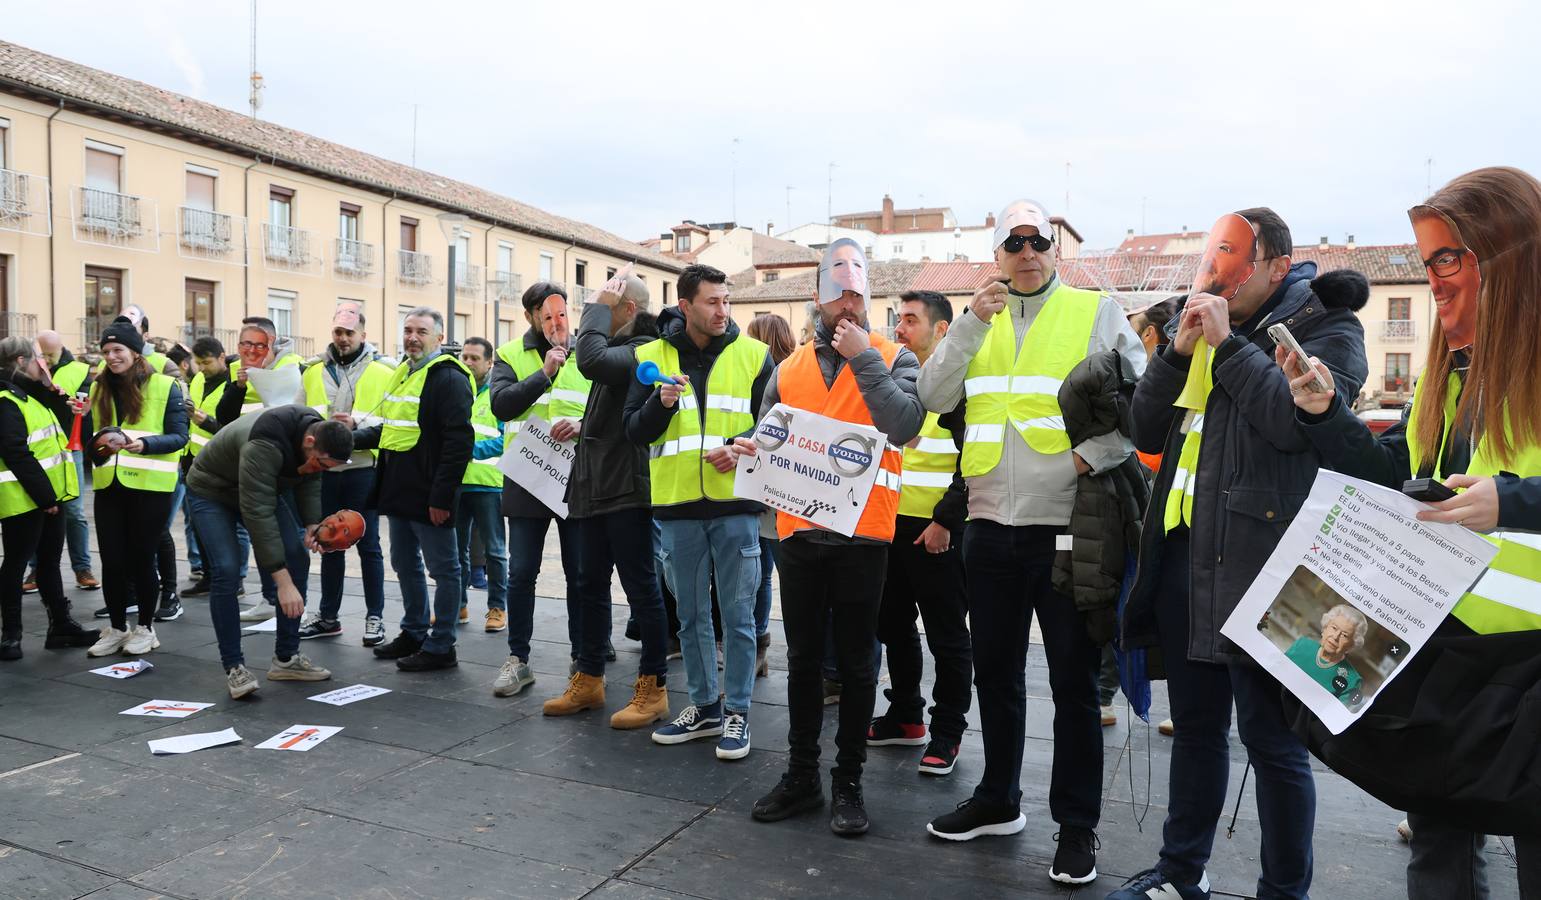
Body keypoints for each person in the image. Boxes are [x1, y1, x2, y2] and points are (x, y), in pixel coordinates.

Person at [1282, 166, 1541, 900]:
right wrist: (1321, 415)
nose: (1431, 279)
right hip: (1448, 651)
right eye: (1426, 262)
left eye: (1445, 259)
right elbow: (1390, 469)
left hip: (1527, 667)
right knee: (1436, 848)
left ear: (1507, 254)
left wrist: (1514, 501)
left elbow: (1503, 497)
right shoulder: (1448, 371)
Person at [1111, 208, 1369, 900]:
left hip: (1266, 569)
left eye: (1232, 266)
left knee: (1272, 743)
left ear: (1276, 267)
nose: (1216, 280)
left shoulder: (1328, 328)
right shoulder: (1204, 328)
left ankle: (1282, 891)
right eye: (1210, 265)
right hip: (1184, 558)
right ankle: (1176, 873)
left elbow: (1296, 425)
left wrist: (1227, 348)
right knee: (1195, 730)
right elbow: (1143, 426)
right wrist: (1173, 353)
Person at [916, 200, 1145, 885]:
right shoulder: (975, 320)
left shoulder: (1092, 312)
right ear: (996, 255)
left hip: (1065, 526)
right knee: (996, 674)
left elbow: (1143, 403)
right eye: (1012, 242)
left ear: (1054, 249)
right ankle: (997, 799)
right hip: (987, 525)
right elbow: (931, 394)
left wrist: (1087, 458)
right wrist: (967, 325)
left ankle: (1076, 828)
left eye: (1036, 240)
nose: (1025, 252)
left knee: (1073, 684)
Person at [745, 238, 923, 835]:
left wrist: (863, 357)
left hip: (863, 538)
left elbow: (904, 425)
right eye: (837, 293)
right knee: (802, 664)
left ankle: (848, 781)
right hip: (799, 538)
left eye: (856, 292)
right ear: (818, 299)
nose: (848, 303)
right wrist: (743, 451)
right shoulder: (788, 369)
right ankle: (801, 776)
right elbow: (769, 438)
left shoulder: (893, 355)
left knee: (855, 666)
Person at [626, 263, 773, 760]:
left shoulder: (755, 355)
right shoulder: (651, 356)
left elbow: (777, 429)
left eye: (726, 300)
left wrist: (739, 446)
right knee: (689, 618)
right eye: (712, 301)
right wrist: (659, 405)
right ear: (686, 306)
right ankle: (705, 707)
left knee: (737, 615)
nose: (723, 310)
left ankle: (736, 713)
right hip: (676, 507)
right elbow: (635, 431)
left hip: (736, 505)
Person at [539, 268, 671, 728]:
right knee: (587, 583)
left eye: (603, 310)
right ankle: (589, 678)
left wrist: (595, 305)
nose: (591, 319)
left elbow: (589, 360)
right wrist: (583, 427)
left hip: (628, 488)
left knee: (641, 590)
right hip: (593, 486)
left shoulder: (642, 349)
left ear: (628, 310)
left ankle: (653, 688)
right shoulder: (621, 346)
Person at [868, 291, 974, 777]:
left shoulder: (962, 387)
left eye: (911, 320)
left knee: (947, 637)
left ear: (942, 331)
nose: (900, 328)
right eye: (898, 319)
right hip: (888, 525)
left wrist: (945, 521)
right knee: (891, 626)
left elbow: (974, 464)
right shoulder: (895, 382)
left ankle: (947, 733)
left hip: (937, 530)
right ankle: (906, 715)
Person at [186, 405, 349, 698]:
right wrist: (282, 584)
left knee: (297, 554)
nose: (322, 469)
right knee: (226, 569)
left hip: (257, 486)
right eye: (323, 463)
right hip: (212, 491)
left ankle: (287, 659)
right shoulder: (264, 445)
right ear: (310, 443)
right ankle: (234, 667)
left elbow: (311, 479)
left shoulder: (314, 430)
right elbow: (258, 516)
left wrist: (312, 523)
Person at [350, 307, 473, 672]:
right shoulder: (403, 371)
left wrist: (441, 497)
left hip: (429, 493)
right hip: (400, 488)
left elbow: (458, 443)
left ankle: (442, 645)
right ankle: (414, 631)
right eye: (407, 330)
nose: (412, 338)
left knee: (445, 569)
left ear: (439, 337)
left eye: (421, 331)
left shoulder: (448, 378)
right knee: (404, 563)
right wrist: (348, 438)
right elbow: (390, 430)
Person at [489, 282, 592, 680]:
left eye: (562, 314)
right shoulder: (512, 354)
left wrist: (582, 425)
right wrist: (545, 373)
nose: (556, 323)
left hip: (576, 479)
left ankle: (583, 657)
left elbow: (608, 410)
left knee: (579, 573)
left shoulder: (588, 352)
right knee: (521, 573)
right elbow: (501, 404)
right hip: (527, 477)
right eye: (547, 316)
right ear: (531, 316)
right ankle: (518, 659)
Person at [84, 318, 190, 658]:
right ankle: (117, 628)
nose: (111, 357)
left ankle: (146, 628)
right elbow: (94, 438)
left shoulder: (164, 386)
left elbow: (179, 437)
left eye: (118, 350)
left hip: (150, 486)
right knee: (112, 561)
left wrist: (142, 445)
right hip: (109, 485)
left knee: (143, 559)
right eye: (106, 351)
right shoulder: (99, 388)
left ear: (134, 351)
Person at [296, 304, 394, 647]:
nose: (343, 338)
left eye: (349, 333)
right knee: (328, 543)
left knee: (368, 545)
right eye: (338, 332)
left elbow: (392, 424)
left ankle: (375, 616)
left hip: (362, 468)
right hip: (324, 471)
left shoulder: (385, 372)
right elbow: (299, 414)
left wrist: (355, 428)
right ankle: (328, 616)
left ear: (363, 336)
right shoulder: (312, 371)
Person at [1102, 297, 1178, 729]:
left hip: (1154, 511)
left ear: (1149, 335)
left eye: (1131, 328)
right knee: (1123, 603)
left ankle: (1178, 706)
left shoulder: (1157, 386)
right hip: (1137, 511)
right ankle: (1105, 694)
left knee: (1149, 607)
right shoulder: (1139, 386)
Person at [0, 337, 97, 659]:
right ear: (19, 361)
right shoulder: (5, 400)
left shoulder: (32, 396)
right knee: (16, 564)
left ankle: (61, 626)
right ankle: (11, 635)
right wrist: (46, 497)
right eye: (37, 359)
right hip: (23, 499)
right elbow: (15, 452)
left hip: (48, 496)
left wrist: (49, 389)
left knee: (50, 563)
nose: (43, 363)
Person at [219, 316, 305, 622]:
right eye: (245, 344)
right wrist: (239, 386)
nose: (251, 350)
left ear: (272, 342)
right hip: (251, 462)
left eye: (258, 344)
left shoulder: (294, 365)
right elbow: (224, 415)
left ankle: (295, 599)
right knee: (262, 532)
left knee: (289, 536)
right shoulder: (236, 368)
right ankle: (271, 597)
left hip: (285, 463)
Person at [745, 313, 797, 677]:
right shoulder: (798, 372)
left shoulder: (764, 377)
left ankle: (760, 649)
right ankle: (800, 653)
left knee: (761, 576)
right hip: (786, 490)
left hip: (765, 490)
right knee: (788, 577)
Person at [180, 338, 252, 599]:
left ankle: (238, 578)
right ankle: (209, 576)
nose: (201, 368)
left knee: (235, 525)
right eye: (198, 363)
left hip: (223, 464)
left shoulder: (237, 384)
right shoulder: (197, 379)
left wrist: (204, 420)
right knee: (199, 522)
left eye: (207, 362)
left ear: (222, 357)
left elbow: (233, 429)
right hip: (194, 461)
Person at [32, 330, 97, 590]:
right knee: (38, 510)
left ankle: (82, 568)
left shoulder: (80, 370)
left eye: (51, 354)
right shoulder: (32, 370)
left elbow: (87, 406)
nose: (46, 360)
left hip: (72, 448)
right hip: (41, 449)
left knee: (74, 511)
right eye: (42, 355)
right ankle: (35, 571)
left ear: (61, 349)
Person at [454, 336, 508, 633]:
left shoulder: (497, 393)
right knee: (456, 550)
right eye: (465, 357)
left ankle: (497, 608)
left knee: (495, 551)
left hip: (488, 484)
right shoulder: (458, 390)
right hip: (458, 484)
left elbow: (505, 438)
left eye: (474, 358)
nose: (468, 362)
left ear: (489, 362)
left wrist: (471, 451)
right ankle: (458, 606)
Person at [1283, 605, 1365, 707]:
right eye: (1334, 628)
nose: (1335, 637)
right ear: (1325, 628)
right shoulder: (1302, 644)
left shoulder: (1352, 681)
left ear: (1352, 645)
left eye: (1344, 635)